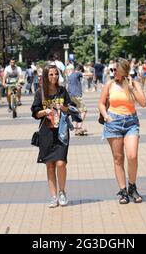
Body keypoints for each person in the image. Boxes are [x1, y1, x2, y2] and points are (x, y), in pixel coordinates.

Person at [98, 58, 146, 204]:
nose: (113, 73)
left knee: (132, 156)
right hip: (113, 122)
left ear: (123, 71)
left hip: (131, 122)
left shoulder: (135, 84)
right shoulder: (109, 84)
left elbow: (143, 103)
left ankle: (132, 186)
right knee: (118, 158)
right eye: (112, 70)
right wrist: (106, 116)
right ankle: (123, 191)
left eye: (115, 70)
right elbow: (101, 103)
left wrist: (131, 87)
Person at [31, 64, 72, 208]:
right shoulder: (40, 93)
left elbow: (70, 108)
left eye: (56, 74)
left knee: (61, 163)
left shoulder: (62, 91)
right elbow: (35, 113)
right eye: (51, 74)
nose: (54, 77)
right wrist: (45, 111)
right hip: (46, 133)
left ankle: (62, 192)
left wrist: (63, 108)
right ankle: (53, 196)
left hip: (61, 132)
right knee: (49, 165)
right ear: (46, 77)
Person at [68, 64, 88, 136]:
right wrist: (91, 73)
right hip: (76, 96)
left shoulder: (70, 75)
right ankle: (79, 127)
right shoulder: (77, 73)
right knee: (84, 111)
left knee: (77, 112)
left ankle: (76, 130)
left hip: (70, 96)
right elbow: (86, 74)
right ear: (80, 70)